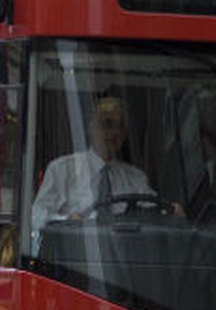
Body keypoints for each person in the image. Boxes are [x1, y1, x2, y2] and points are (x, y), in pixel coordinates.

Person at [30, 97, 158, 248]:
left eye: (120, 127)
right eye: (107, 124)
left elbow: (155, 214)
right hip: (74, 253)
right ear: (90, 128)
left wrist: (172, 212)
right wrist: (66, 221)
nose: (114, 133)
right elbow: (36, 216)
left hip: (125, 253)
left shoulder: (136, 178)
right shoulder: (62, 169)